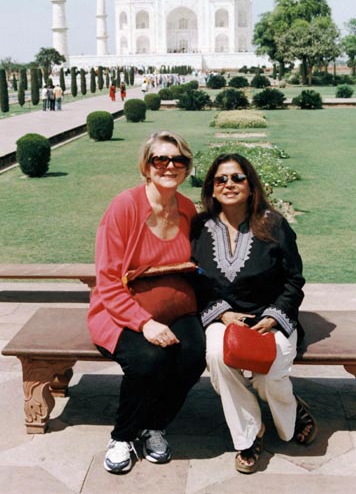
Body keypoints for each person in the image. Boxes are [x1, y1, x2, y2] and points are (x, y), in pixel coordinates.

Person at [87, 130, 206, 475]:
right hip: (121, 308)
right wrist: (145, 323)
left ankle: (154, 425)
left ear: (186, 167)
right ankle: (123, 436)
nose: (169, 166)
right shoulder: (124, 206)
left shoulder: (185, 207)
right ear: (147, 165)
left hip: (178, 306)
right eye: (160, 159)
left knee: (192, 355)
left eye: (178, 160)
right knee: (148, 359)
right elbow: (108, 280)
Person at [190, 153, 317, 474]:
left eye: (237, 178)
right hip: (224, 319)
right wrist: (221, 315)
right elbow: (195, 281)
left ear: (250, 184)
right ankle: (249, 434)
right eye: (221, 179)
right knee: (219, 356)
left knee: (268, 376)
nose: (229, 184)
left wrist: (275, 316)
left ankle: (292, 411)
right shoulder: (200, 227)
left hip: (271, 319)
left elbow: (294, 279)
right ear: (211, 188)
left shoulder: (273, 224)